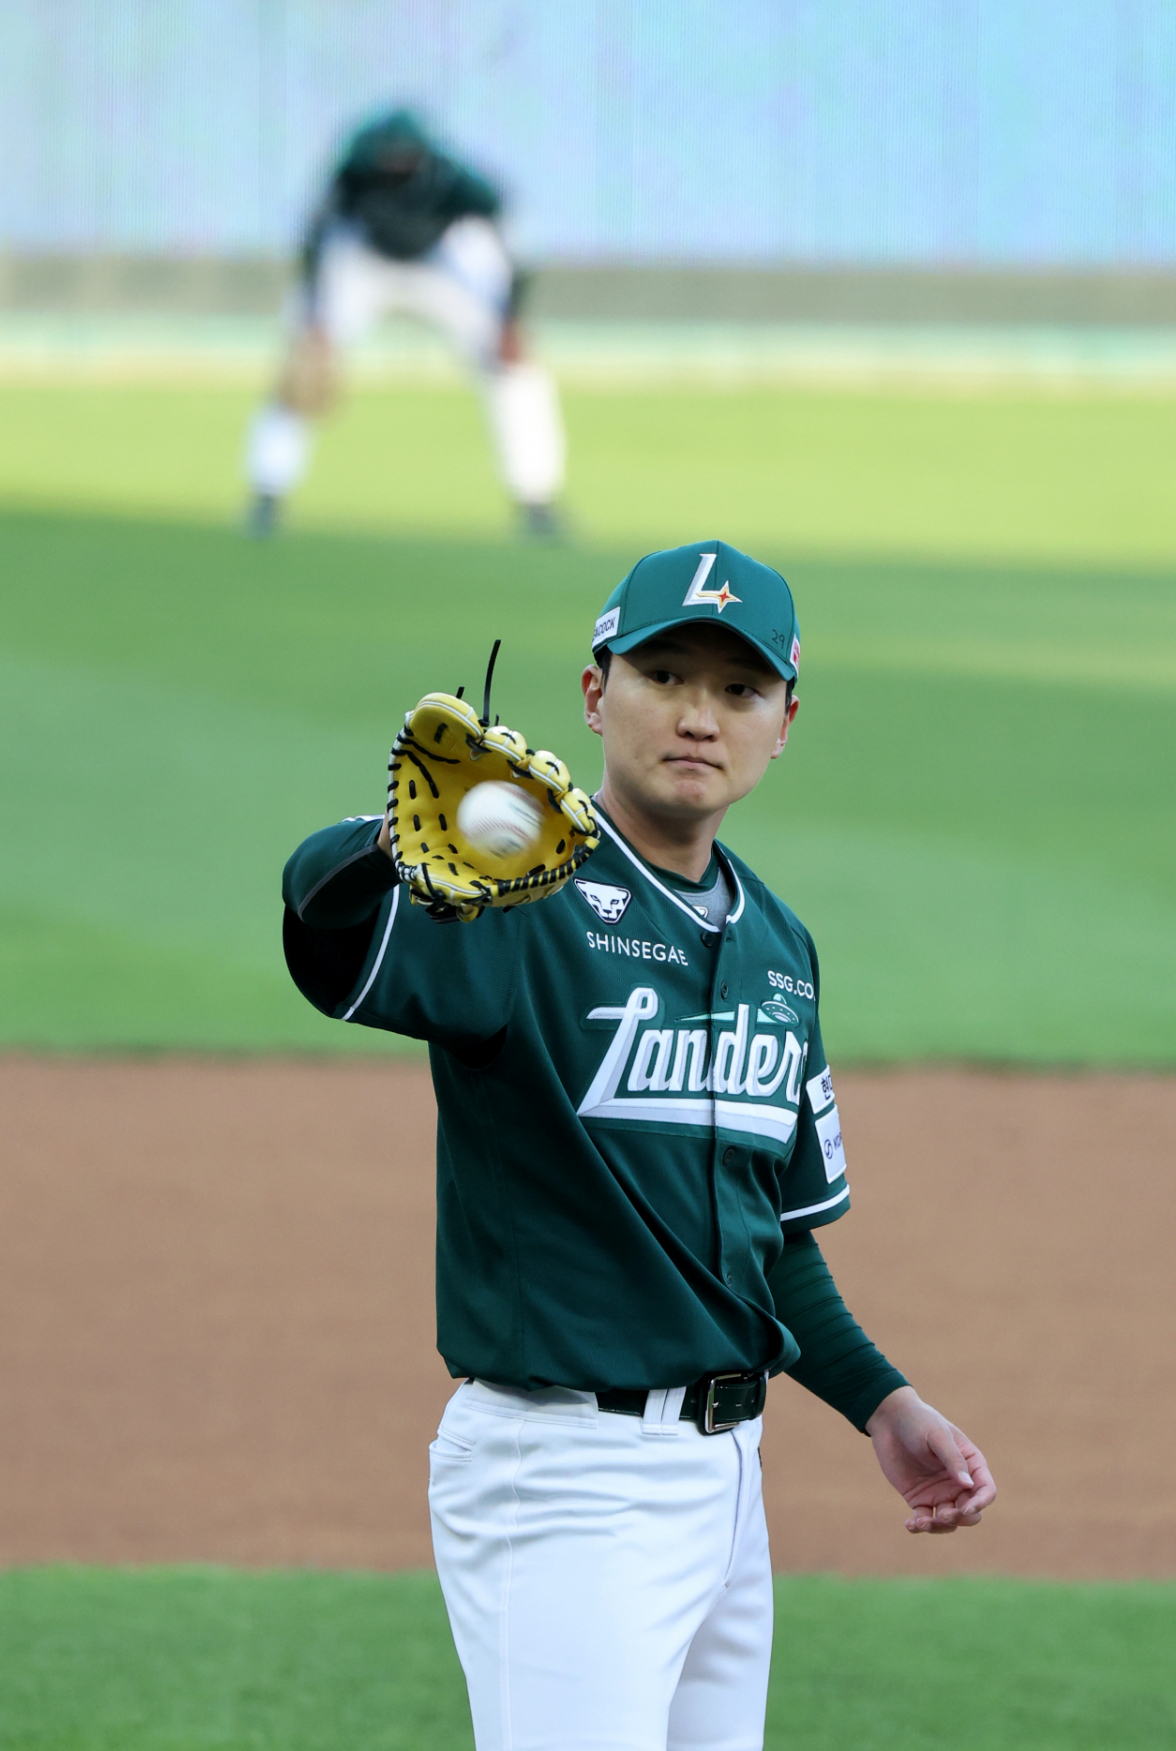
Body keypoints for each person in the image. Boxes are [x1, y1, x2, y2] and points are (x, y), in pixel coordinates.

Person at [281, 539, 996, 1751]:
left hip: (730, 1487)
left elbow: (765, 1240)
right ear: (594, 690)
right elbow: (325, 932)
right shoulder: (516, 894)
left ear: (785, 721)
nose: (699, 715)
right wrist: (380, 847)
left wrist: (882, 1401)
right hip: (565, 1477)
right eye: (664, 675)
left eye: (738, 688)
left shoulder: (779, 945)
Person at [245, 107, 565, 537]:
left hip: (444, 260)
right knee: (300, 366)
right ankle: (267, 491)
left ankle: (537, 499)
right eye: (387, 159)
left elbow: (513, 251)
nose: (395, 166)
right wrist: (316, 319)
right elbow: (317, 239)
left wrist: (509, 319)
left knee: (515, 370)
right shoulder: (353, 171)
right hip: (364, 261)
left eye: (404, 158)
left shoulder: (459, 181)